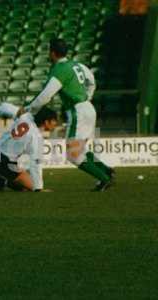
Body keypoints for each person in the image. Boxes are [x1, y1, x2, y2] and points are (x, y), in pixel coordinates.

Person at [24, 38, 114, 191]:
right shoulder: (76, 65)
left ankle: (104, 179)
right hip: (88, 107)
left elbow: (46, 95)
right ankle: (106, 171)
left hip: (77, 111)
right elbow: (91, 80)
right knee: (80, 149)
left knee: (72, 154)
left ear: (52, 53)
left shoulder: (59, 69)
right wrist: (88, 96)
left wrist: (29, 109)